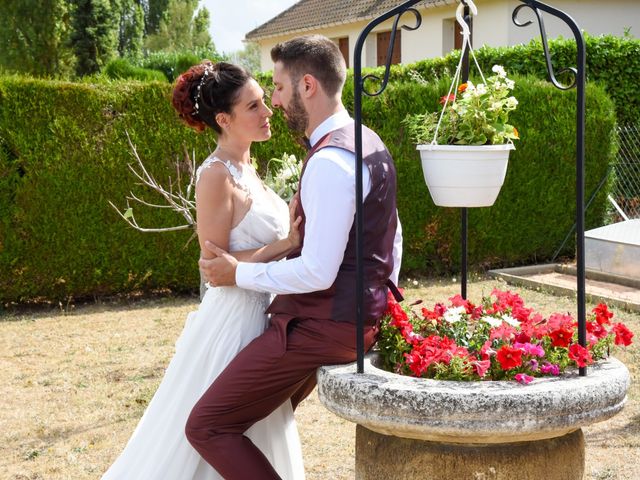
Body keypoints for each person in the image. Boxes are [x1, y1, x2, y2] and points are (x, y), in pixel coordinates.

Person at [186, 35, 403, 479]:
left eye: (278, 88)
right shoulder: (365, 139)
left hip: (321, 325)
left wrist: (239, 274)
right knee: (257, 418)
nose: (275, 103)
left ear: (307, 86)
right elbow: (394, 235)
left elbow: (319, 273)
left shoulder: (328, 161)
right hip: (349, 318)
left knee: (207, 425)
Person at [101, 61, 306, 480]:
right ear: (223, 120)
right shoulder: (214, 175)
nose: (268, 111)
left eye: (265, 101)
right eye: (254, 106)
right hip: (236, 320)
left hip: (268, 312)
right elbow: (215, 267)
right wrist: (286, 244)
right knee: (218, 428)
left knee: (260, 425)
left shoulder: (249, 169)